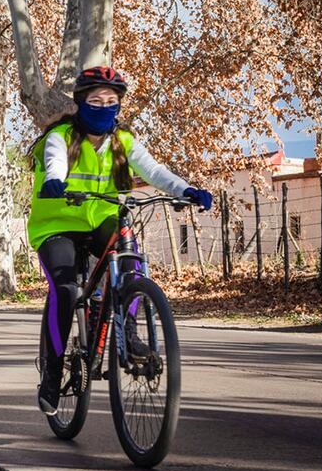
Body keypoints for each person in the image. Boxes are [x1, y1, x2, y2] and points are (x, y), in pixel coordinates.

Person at [28, 65, 213, 416]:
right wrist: (55, 181)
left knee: (131, 264)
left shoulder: (123, 141)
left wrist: (187, 189)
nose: (104, 106)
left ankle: (127, 331)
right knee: (66, 290)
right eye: (95, 100)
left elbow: (154, 171)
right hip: (57, 225)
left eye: (111, 101)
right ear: (81, 103)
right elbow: (54, 163)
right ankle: (52, 373)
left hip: (103, 219)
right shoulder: (61, 136)